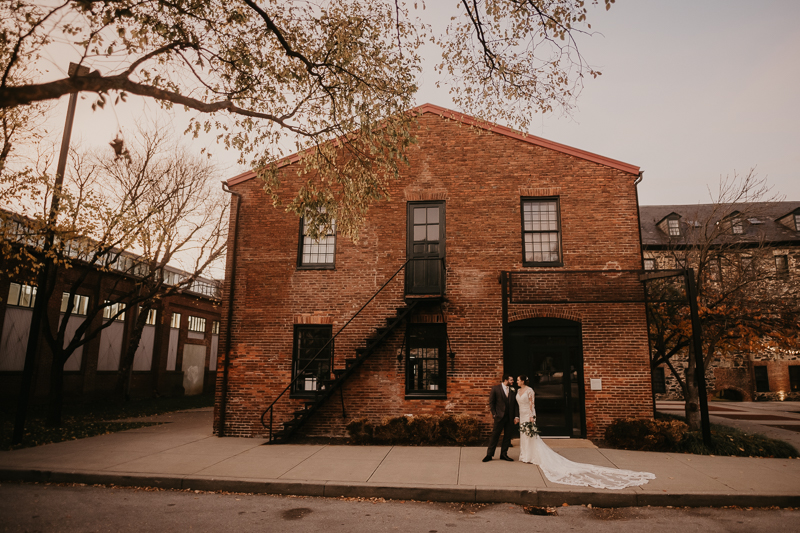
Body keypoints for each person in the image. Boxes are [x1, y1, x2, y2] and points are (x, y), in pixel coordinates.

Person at [515, 374, 656, 490]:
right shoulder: (517, 391)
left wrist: (532, 417)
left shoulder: (529, 390)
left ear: (523, 381)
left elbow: (533, 405)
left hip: (528, 415)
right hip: (521, 415)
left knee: (531, 436)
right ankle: (525, 455)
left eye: (518, 379)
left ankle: (532, 456)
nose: (516, 381)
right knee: (524, 435)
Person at [483, 375, 519, 462]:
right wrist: (494, 414)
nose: (513, 381)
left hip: (509, 417)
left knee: (507, 436)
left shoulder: (512, 389)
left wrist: (516, 416)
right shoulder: (495, 389)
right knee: (495, 436)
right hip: (499, 417)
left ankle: (504, 454)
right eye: (511, 380)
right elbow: (492, 402)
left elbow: (515, 404)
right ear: (506, 380)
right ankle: (489, 454)